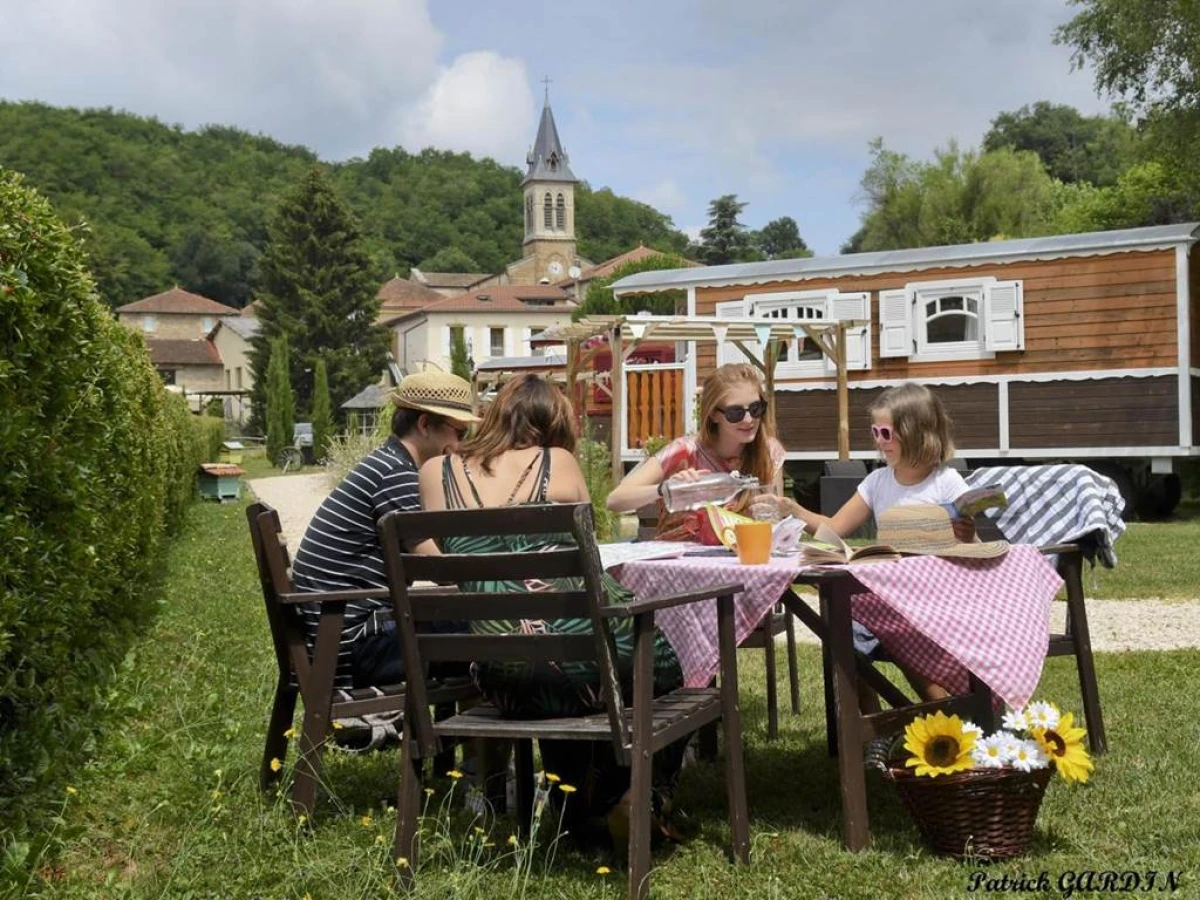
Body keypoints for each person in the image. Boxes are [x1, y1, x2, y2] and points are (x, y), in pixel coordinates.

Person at [417, 373, 686, 846]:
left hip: (501, 678)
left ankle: (578, 809)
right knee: (659, 669)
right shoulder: (556, 462)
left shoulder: (435, 472)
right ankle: (633, 798)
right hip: (588, 667)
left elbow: (444, 572)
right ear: (554, 426)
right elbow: (590, 565)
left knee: (554, 669)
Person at [750, 381, 974, 704]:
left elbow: (973, 544)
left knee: (887, 631)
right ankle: (870, 725)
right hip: (890, 599)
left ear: (917, 434)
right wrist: (794, 510)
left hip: (933, 603)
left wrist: (965, 535)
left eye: (887, 434)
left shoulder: (946, 482)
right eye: (875, 432)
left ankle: (940, 718)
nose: (879, 443)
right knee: (842, 629)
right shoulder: (877, 482)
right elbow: (833, 530)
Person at [290, 370, 480, 689]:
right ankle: (467, 735)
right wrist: (500, 572)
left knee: (479, 626)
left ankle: (453, 736)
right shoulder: (397, 475)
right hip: (356, 648)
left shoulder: (386, 463)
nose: (460, 445)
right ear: (423, 425)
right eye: (459, 432)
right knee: (492, 631)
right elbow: (438, 568)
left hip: (336, 638)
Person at [606, 362, 786, 540]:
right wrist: (666, 489)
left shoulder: (769, 452)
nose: (749, 420)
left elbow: (773, 517)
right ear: (714, 415)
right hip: (679, 563)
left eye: (755, 409)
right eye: (735, 413)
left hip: (741, 559)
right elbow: (615, 500)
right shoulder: (685, 451)